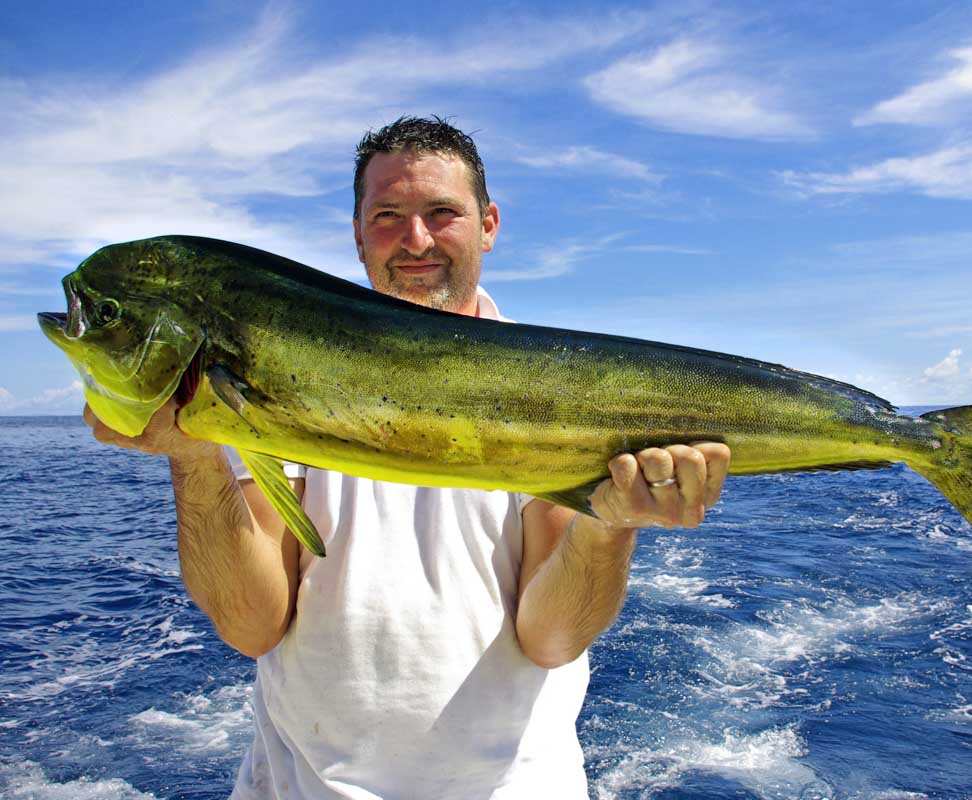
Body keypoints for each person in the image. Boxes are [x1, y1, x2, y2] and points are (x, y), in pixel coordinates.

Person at [85, 116, 731, 798]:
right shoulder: (275, 367)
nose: (415, 239)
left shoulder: (553, 391)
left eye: (441, 213)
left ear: (488, 226)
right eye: (388, 215)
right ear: (358, 233)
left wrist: (609, 523)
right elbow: (252, 623)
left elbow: (551, 638)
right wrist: (194, 460)